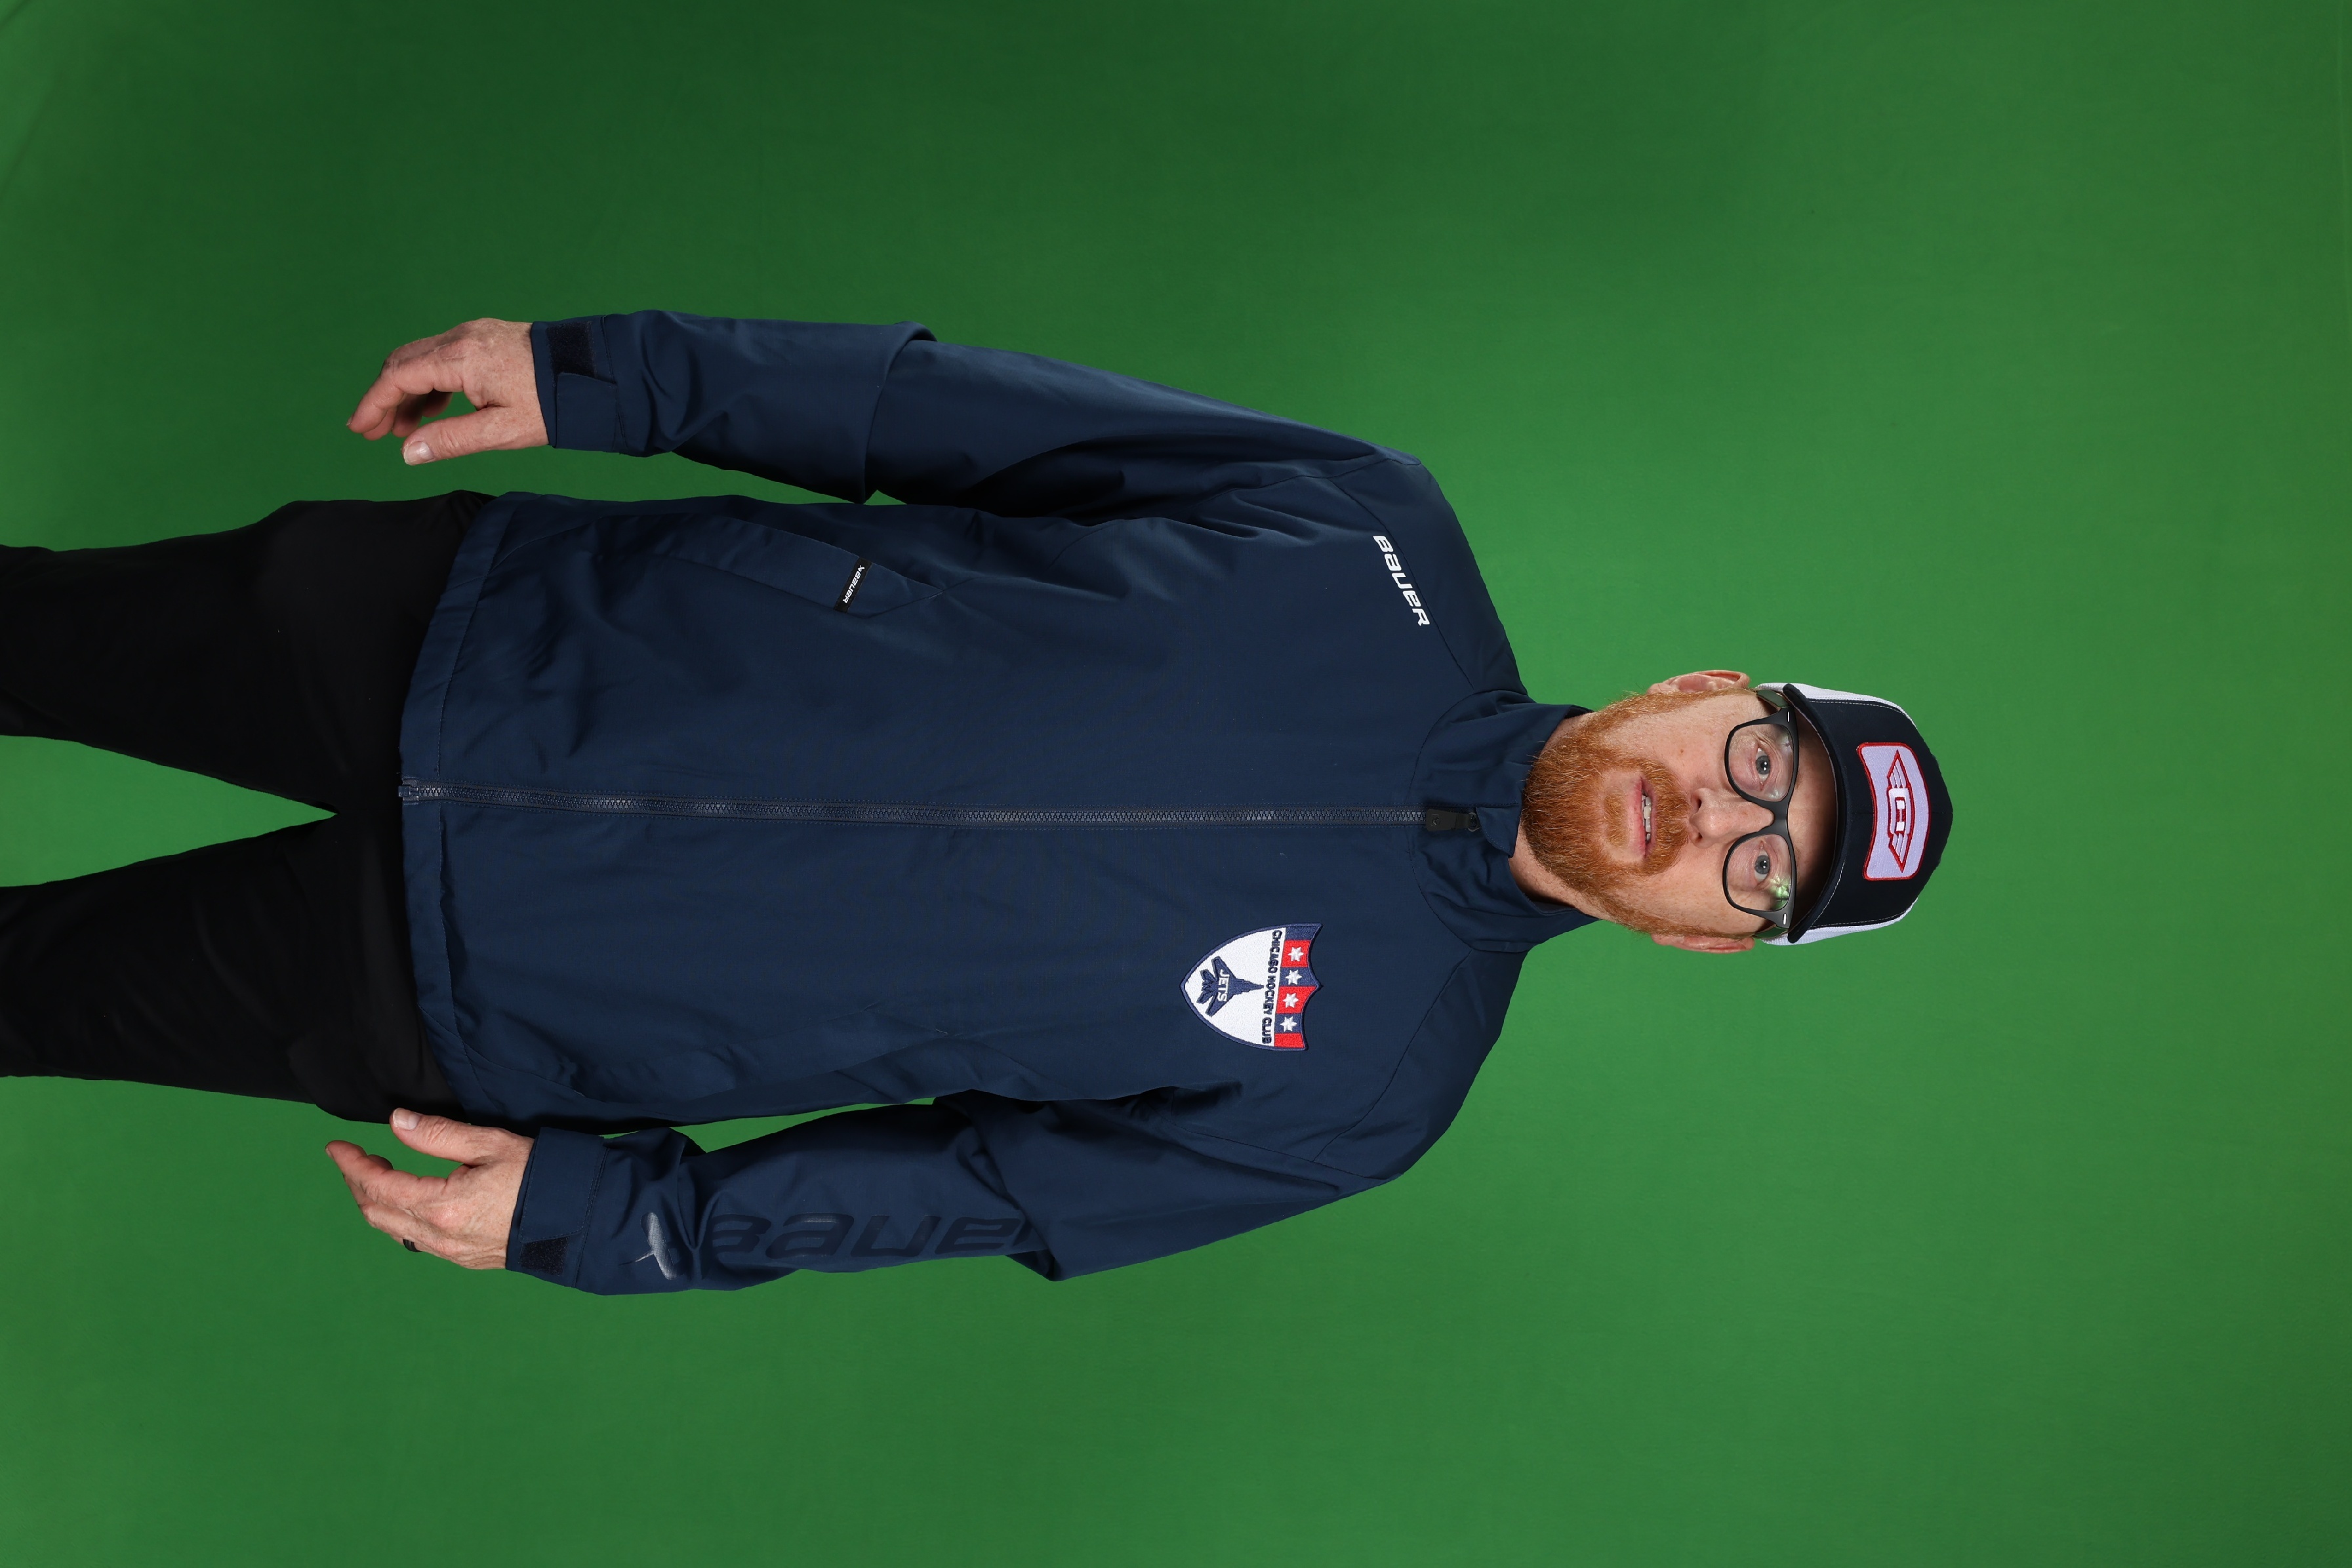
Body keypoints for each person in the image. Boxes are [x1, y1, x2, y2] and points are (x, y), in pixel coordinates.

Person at [0, 313, 1953, 1292]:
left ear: (1710, 944)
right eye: (1754, 762)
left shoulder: (1369, 1099)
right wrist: (614, 377)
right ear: (1697, 690)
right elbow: (940, 418)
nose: (1712, 821)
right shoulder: (1363, 531)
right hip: (488, 626)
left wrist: (625, 1218)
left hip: (484, 993)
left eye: (1760, 872)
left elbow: (973, 1187)